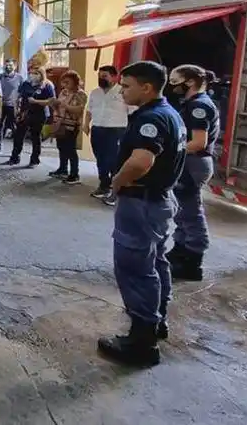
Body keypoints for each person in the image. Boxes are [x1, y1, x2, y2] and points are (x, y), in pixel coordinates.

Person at [98, 61, 186, 367]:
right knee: (156, 263)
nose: (122, 90)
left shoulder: (152, 118)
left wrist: (116, 182)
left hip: (142, 204)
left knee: (135, 268)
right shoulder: (170, 113)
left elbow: (140, 162)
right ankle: (156, 322)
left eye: (127, 86)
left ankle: (142, 342)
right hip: (158, 202)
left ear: (146, 87)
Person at [166, 64, 220, 282]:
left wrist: (170, 150)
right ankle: (181, 248)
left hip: (193, 163)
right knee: (182, 210)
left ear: (189, 82)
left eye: (174, 82)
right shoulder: (191, 103)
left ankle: (193, 260)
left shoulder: (199, 105)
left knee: (192, 213)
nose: (172, 87)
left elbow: (198, 142)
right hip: (189, 162)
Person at [84, 65, 129, 202]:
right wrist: (86, 124)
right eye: (100, 76)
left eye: (105, 76)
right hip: (98, 129)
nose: (101, 79)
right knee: (101, 159)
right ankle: (104, 185)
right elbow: (89, 110)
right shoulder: (95, 92)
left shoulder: (123, 92)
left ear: (115, 77)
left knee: (114, 161)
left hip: (116, 130)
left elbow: (133, 112)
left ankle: (117, 191)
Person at [7, 66, 55, 167]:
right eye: (31, 73)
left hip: (39, 114)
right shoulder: (26, 84)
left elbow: (51, 101)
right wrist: (16, 109)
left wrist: (36, 101)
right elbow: (18, 96)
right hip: (24, 113)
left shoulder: (47, 85)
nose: (32, 75)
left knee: (35, 137)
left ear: (41, 75)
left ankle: (34, 160)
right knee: (18, 136)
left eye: (36, 73)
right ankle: (15, 157)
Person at [51, 71, 88, 185]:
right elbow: (58, 106)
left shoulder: (81, 94)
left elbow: (79, 110)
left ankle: (74, 174)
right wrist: (54, 104)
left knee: (70, 149)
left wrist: (66, 106)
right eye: (63, 82)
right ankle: (63, 169)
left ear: (75, 82)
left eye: (67, 82)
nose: (65, 85)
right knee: (61, 147)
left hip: (71, 125)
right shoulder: (63, 92)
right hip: (60, 123)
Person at [0, 59, 24, 154]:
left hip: (13, 107)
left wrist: (19, 107)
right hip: (0, 105)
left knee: (15, 128)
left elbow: (22, 93)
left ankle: (15, 151)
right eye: (6, 65)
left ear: (15, 66)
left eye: (10, 65)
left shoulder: (19, 78)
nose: (8, 67)